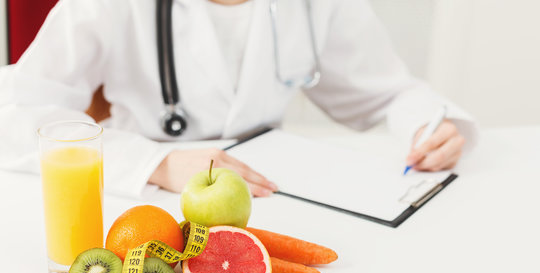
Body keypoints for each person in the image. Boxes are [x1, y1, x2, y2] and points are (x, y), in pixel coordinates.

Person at [0, 0, 477, 198]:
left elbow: (387, 91)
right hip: (148, 203)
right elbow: (15, 114)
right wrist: (156, 163)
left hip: (275, 195)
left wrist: (428, 126)